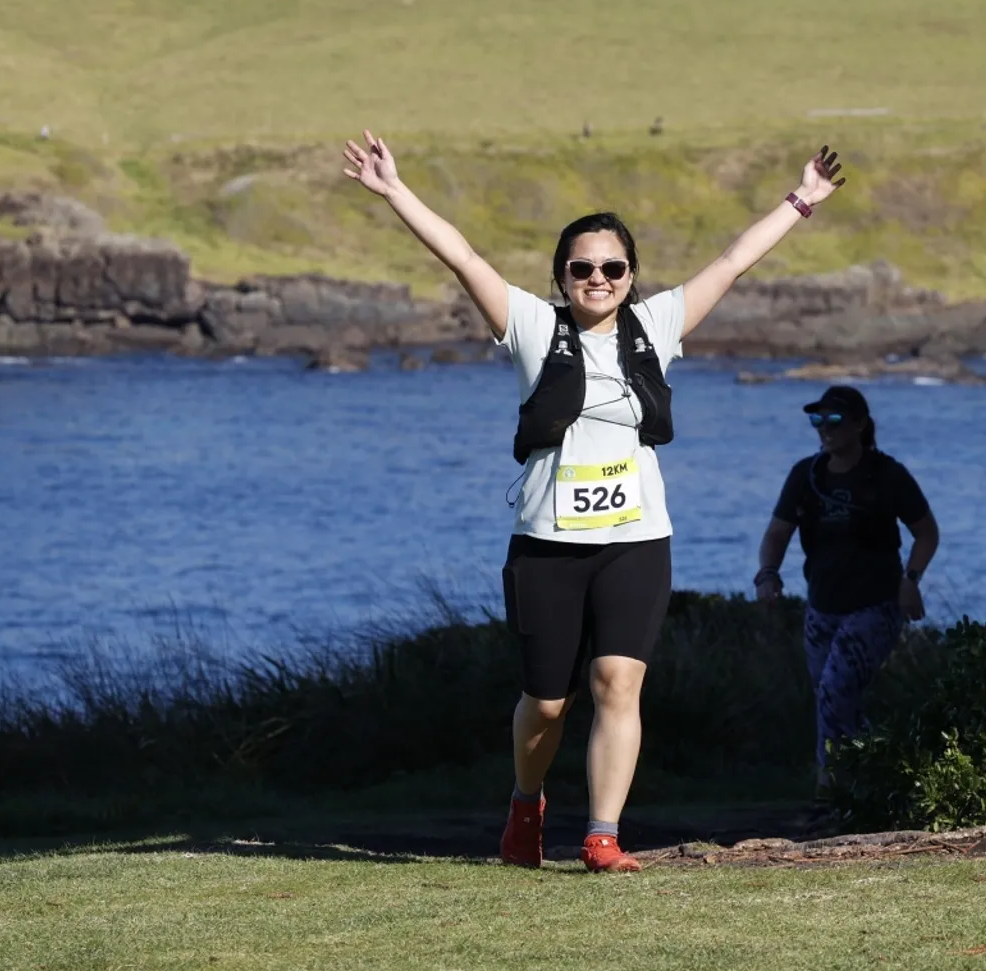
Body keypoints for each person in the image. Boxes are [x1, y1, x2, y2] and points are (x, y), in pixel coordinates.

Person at [341, 130, 846, 873]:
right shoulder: (532, 329)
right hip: (546, 543)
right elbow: (464, 258)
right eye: (583, 267)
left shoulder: (656, 326)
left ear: (631, 274)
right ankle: (525, 804)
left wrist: (802, 198)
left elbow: (734, 261)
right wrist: (394, 191)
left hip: (636, 540)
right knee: (547, 703)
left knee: (618, 680)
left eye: (613, 267)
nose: (599, 277)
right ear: (563, 275)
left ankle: (603, 834)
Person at [754, 385, 939, 798]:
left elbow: (927, 533)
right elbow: (777, 533)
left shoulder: (887, 475)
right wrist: (767, 573)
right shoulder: (806, 475)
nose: (824, 429)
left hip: (876, 607)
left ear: (859, 424)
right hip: (822, 609)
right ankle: (883, 780)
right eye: (817, 421)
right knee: (836, 701)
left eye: (834, 420)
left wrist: (911, 579)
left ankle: (829, 791)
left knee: (836, 690)